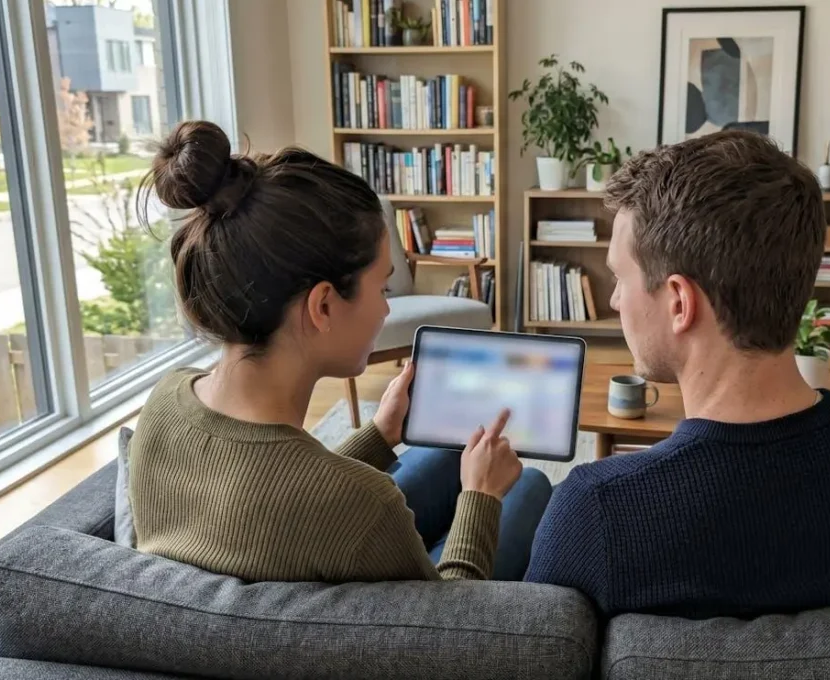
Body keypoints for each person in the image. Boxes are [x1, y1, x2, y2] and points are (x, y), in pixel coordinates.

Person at [523, 130, 830, 619]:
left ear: (679, 302)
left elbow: (537, 643)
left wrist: (482, 500)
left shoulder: (598, 512)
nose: (616, 299)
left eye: (620, 278)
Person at [127, 120, 552, 583]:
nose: (387, 307)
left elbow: (282, 495)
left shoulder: (163, 404)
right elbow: (447, 630)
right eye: (382, 285)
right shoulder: (362, 503)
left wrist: (380, 433)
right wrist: (480, 499)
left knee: (456, 454)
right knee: (526, 485)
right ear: (324, 305)